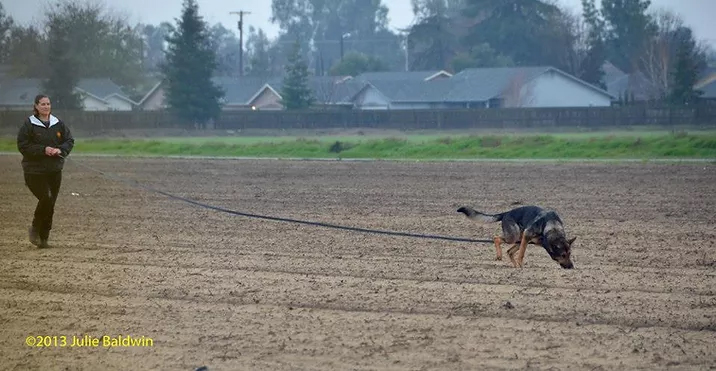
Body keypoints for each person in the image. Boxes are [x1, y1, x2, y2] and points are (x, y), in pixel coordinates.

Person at [17, 94, 75, 248]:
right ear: (36, 106)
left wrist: (60, 150)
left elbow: (69, 141)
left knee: (50, 204)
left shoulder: (58, 124)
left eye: (48, 104)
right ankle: (35, 228)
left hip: (54, 170)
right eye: (42, 104)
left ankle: (44, 239)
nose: (46, 106)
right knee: (46, 198)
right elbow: (23, 146)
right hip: (34, 171)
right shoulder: (29, 124)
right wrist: (44, 149)